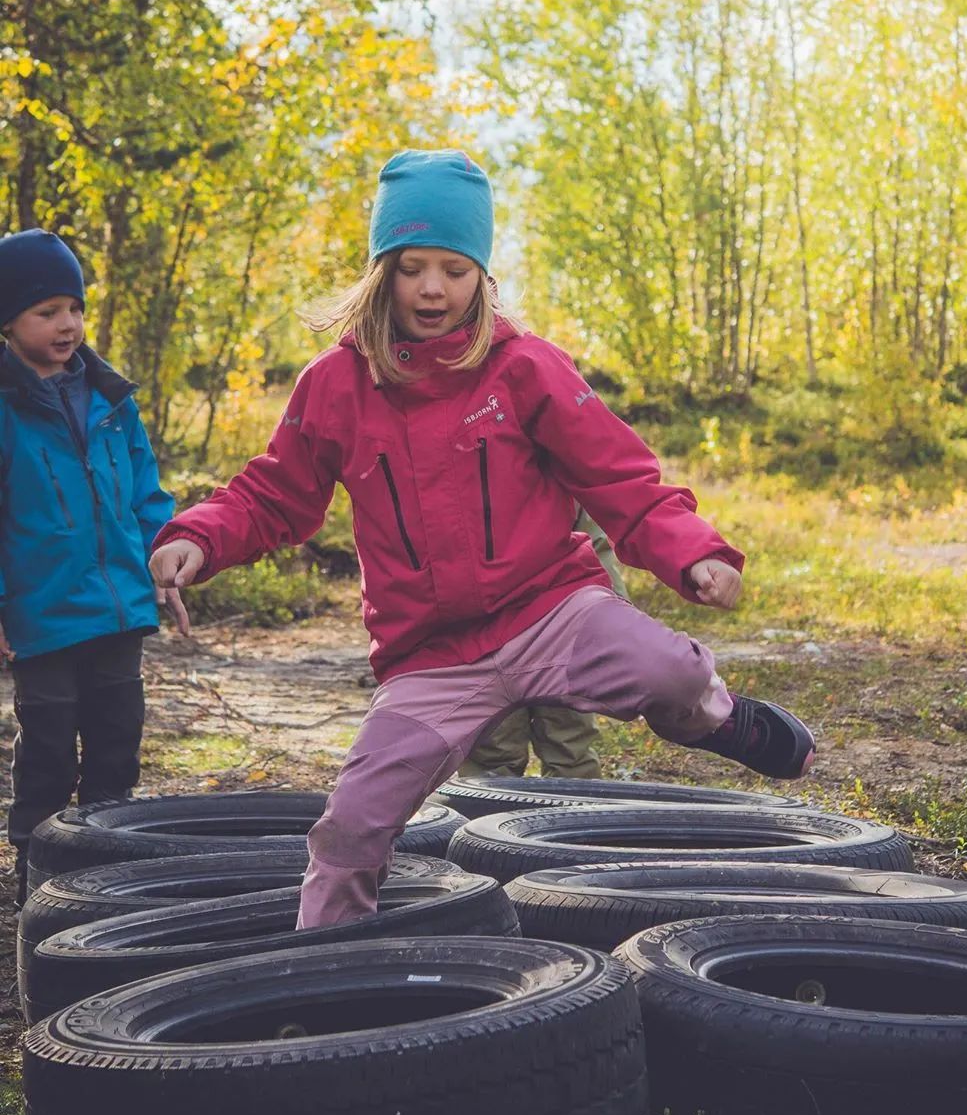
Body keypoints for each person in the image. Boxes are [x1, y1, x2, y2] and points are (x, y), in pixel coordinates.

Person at [150, 148, 815, 930]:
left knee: (670, 669)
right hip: (431, 658)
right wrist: (199, 537)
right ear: (381, 272)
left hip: (550, 614)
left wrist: (693, 550)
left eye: (455, 270)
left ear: (481, 278)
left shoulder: (524, 368)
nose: (433, 289)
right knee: (349, 829)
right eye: (413, 267)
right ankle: (320, 981)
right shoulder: (333, 386)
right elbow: (273, 494)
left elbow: (619, 474)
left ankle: (721, 721)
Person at [0, 229, 187, 907]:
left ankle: (112, 882)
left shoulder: (112, 398)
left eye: (73, 308)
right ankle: (37, 886)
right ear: (10, 321)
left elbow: (144, 492)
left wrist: (162, 561)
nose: (67, 325)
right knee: (47, 756)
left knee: (116, 748)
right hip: (42, 614)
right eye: (46, 312)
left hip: (117, 610)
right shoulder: (6, 405)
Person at [459, 507, 628, 779]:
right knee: (492, 743)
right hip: (489, 622)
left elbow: (595, 546)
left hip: (564, 617)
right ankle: (483, 809)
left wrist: (615, 615)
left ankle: (577, 811)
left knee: (569, 736)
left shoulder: (561, 473)